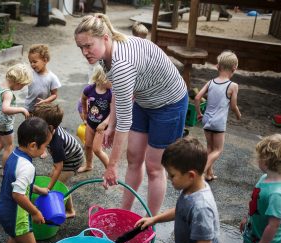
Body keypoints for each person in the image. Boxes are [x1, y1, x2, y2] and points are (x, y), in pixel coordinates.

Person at [74, 13, 188, 216]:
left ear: (105, 38)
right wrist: (110, 125)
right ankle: (124, 212)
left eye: (88, 46)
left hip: (169, 103)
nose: (84, 52)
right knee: (134, 156)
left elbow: (125, 121)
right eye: (81, 47)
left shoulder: (122, 64)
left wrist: (112, 166)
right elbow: (119, 89)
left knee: (154, 166)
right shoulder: (105, 55)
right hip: (143, 99)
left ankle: (150, 220)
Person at [135, 137, 225, 243]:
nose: (168, 178)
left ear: (190, 175)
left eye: (172, 175)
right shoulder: (191, 187)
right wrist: (154, 219)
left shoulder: (202, 207)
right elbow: (181, 210)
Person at [0, 117, 51, 243]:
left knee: (14, 237)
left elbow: (17, 184)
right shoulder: (27, 167)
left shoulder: (14, 155)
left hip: (3, 208)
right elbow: (18, 194)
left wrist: (38, 190)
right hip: (15, 214)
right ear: (33, 145)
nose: (46, 150)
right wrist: (35, 212)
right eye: (45, 146)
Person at [239, 134, 281, 243]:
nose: (257, 159)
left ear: (266, 161)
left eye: (259, 157)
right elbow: (255, 201)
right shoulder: (265, 178)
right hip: (253, 235)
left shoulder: (277, 194)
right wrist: (246, 217)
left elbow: (274, 225)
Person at [194, 50, 241, 181]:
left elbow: (197, 98)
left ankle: (209, 174)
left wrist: (199, 113)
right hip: (219, 122)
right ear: (234, 68)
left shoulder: (210, 82)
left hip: (207, 119)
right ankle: (200, 173)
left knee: (210, 148)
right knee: (218, 150)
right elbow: (233, 106)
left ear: (217, 66)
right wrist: (238, 115)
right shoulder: (233, 86)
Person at [33, 103, 84, 218]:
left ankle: (70, 211)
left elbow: (59, 167)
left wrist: (48, 188)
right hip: (67, 155)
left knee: (59, 185)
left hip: (72, 161)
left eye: (38, 123)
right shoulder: (50, 131)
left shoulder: (56, 143)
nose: (35, 125)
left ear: (50, 128)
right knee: (53, 178)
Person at [0, 64, 32, 170]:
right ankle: (6, 171)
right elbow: (5, 109)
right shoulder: (8, 93)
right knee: (9, 146)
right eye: (23, 86)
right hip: (5, 124)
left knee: (1, 143)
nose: (22, 88)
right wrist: (22, 109)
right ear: (18, 83)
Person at [78, 64, 112, 172]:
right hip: (90, 123)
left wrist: (105, 124)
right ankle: (89, 165)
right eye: (112, 79)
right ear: (102, 78)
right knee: (87, 146)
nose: (114, 82)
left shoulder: (110, 93)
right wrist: (84, 112)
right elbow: (83, 99)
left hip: (101, 127)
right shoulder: (89, 89)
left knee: (97, 149)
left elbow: (113, 112)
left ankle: (109, 170)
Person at [25, 44, 61, 113]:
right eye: (30, 62)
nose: (32, 64)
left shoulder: (52, 77)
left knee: (41, 123)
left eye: (35, 62)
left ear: (45, 60)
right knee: (29, 123)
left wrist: (45, 101)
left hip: (43, 109)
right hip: (29, 108)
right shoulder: (30, 74)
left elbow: (54, 94)